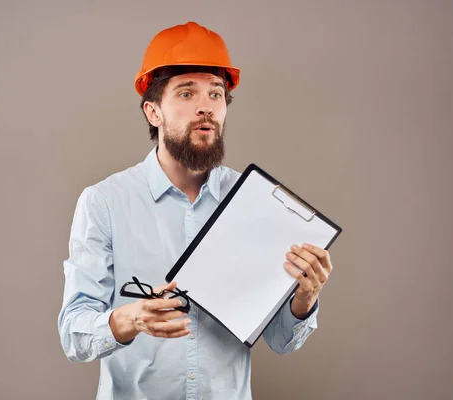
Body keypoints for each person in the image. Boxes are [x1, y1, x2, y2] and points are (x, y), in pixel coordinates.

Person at [58, 21, 334, 399]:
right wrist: (131, 318)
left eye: (216, 94)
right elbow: (73, 333)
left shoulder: (251, 201)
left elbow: (282, 341)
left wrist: (305, 298)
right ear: (153, 112)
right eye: (186, 93)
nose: (205, 107)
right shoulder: (105, 202)